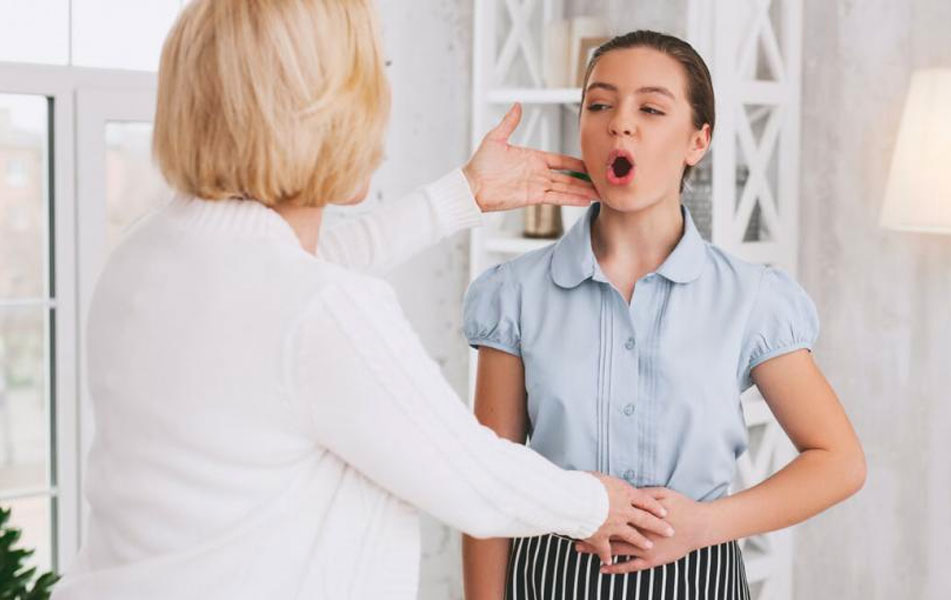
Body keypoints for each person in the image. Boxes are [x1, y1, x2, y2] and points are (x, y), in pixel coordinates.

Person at [51, 2, 672, 598]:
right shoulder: (318, 312)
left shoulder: (145, 253)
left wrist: (463, 194)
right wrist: (598, 504)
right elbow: (471, 476)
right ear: (319, 110)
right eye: (374, 76)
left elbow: (285, 278)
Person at [461, 31, 867, 600]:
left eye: (651, 109)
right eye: (599, 105)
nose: (619, 124)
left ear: (697, 141)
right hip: (548, 579)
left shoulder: (752, 298)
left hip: (701, 576)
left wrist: (707, 524)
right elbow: (490, 480)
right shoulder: (515, 294)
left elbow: (839, 461)